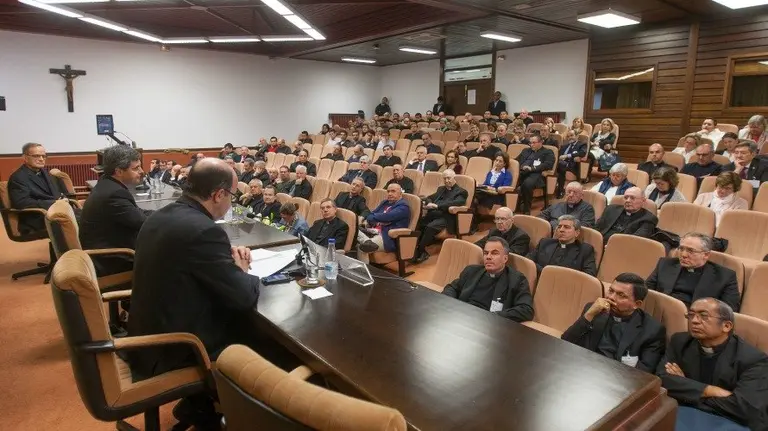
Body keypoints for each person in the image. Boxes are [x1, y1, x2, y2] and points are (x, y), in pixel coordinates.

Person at [127, 158, 292, 429]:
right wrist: (240, 269)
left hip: (146, 334)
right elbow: (243, 297)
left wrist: (222, 261)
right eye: (232, 196)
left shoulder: (162, 216)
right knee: (273, 341)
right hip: (178, 348)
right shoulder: (203, 230)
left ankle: (199, 404)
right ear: (218, 194)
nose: (231, 202)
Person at [657, 298, 768, 430]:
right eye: (691, 315)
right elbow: (662, 378)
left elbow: (744, 408)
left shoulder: (753, 359)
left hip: (730, 422)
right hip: (687, 412)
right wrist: (710, 390)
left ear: (726, 326)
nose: (694, 321)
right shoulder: (680, 341)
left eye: (703, 316)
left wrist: (686, 387)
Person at [562, 273, 665, 373]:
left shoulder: (652, 330)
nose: (611, 297)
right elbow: (565, 342)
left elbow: (644, 373)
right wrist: (588, 315)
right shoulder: (594, 310)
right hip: (583, 369)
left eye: (621, 295)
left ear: (637, 304)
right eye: (611, 291)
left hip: (617, 377)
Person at [79, 146, 148, 277]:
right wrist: (167, 218)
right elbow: (143, 223)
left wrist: (163, 213)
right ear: (119, 171)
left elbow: (137, 213)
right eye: (136, 168)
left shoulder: (106, 183)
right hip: (113, 260)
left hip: (106, 250)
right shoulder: (115, 194)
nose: (142, 171)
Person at [442, 237, 534, 322]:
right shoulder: (471, 271)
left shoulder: (517, 280)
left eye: (494, 253)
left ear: (505, 258)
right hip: (461, 316)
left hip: (489, 323)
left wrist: (494, 316)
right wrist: (453, 305)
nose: (488, 257)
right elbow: (451, 288)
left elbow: (526, 310)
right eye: (486, 253)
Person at [646, 232, 740, 311]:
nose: (683, 255)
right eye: (681, 249)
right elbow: (646, 291)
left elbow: (728, 312)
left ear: (706, 255)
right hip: (659, 311)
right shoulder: (665, 264)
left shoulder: (725, 277)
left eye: (690, 251)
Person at [8, 142, 71, 233]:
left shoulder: (44, 172)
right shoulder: (18, 177)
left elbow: (56, 193)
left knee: (88, 216)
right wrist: (54, 203)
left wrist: (63, 198)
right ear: (25, 158)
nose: (41, 159)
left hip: (57, 212)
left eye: (43, 156)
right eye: (36, 156)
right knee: (85, 223)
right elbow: (21, 202)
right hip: (38, 218)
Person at [412, 169, 468, 263]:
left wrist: (437, 206)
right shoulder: (441, 189)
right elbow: (429, 197)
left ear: (454, 178)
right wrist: (429, 203)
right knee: (419, 223)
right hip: (433, 214)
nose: (446, 181)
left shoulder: (461, 191)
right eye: (444, 178)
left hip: (447, 217)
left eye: (448, 178)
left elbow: (457, 202)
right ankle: (413, 248)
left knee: (430, 227)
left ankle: (421, 251)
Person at [527, 215, 597, 276]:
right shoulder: (545, 243)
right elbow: (528, 261)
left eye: (566, 227)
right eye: (559, 227)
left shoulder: (585, 250)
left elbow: (589, 274)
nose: (561, 230)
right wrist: (546, 273)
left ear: (577, 233)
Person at [358, 183, 411, 259]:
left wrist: (376, 217)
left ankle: (366, 245)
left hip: (386, 237)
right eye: (388, 191)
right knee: (352, 231)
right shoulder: (385, 202)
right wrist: (377, 218)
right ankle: (367, 241)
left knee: (362, 248)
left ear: (400, 193)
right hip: (372, 231)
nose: (390, 194)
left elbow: (387, 217)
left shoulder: (403, 207)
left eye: (393, 191)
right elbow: (370, 215)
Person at [516, 134, 555, 215]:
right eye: (530, 143)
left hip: (536, 173)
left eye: (534, 143)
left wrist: (532, 168)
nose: (531, 145)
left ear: (541, 142)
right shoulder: (525, 150)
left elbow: (548, 165)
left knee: (527, 184)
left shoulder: (548, 152)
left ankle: (526, 209)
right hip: (521, 171)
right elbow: (516, 160)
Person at [555, 130, 587, 197]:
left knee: (560, 165)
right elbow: (558, 155)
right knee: (558, 165)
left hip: (572, 166)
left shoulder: (582, 144)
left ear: (577, 136)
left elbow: (582, 153)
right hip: (561, 164)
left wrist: (568, 155)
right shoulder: (564, 146)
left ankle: (560, 190)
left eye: (572, 135)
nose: (570, 138)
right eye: (568, 136)